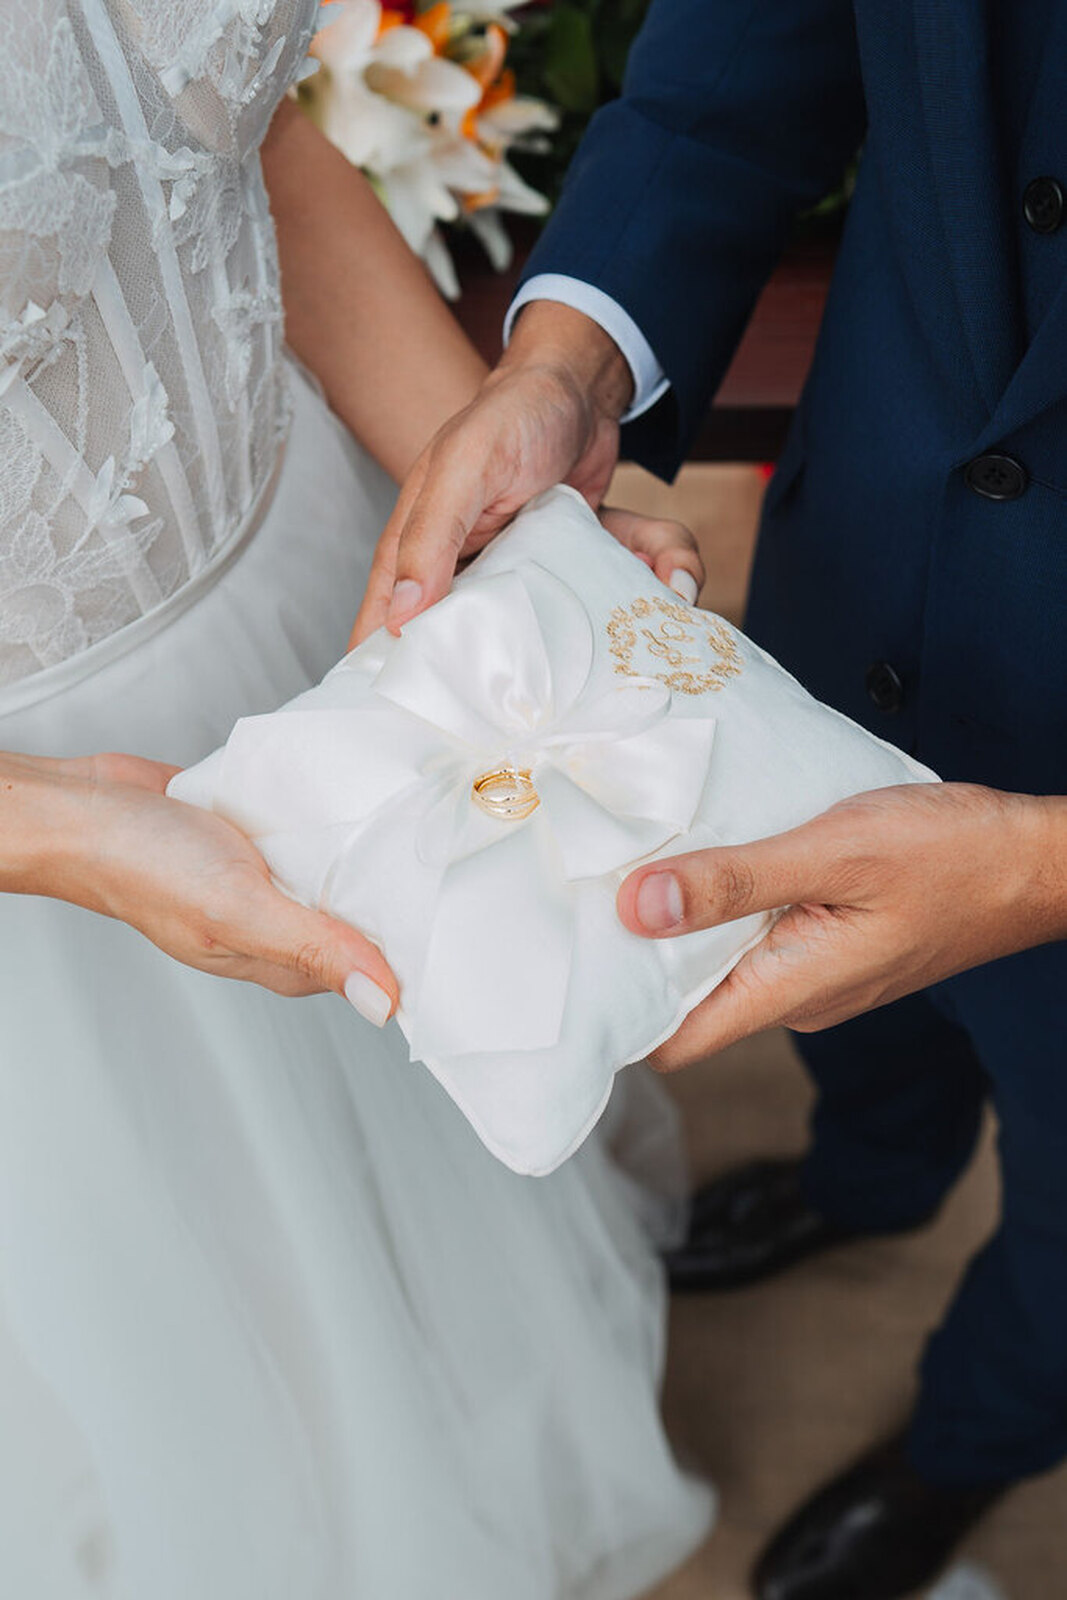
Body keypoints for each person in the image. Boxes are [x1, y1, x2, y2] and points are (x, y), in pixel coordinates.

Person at [353, 2, 1067, 1597]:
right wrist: (565, 362)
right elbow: (759, 44)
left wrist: (1047, 861)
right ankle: (865, 1179)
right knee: (841, 1012)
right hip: (863, 575)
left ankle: (972, 1438)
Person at [0, 3, 716, 1593]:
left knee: (424, 1163)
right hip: (48, 822)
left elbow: (232, 145)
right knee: (175, 1330)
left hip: (319, 585)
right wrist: (59, 832)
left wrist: (494, 521)